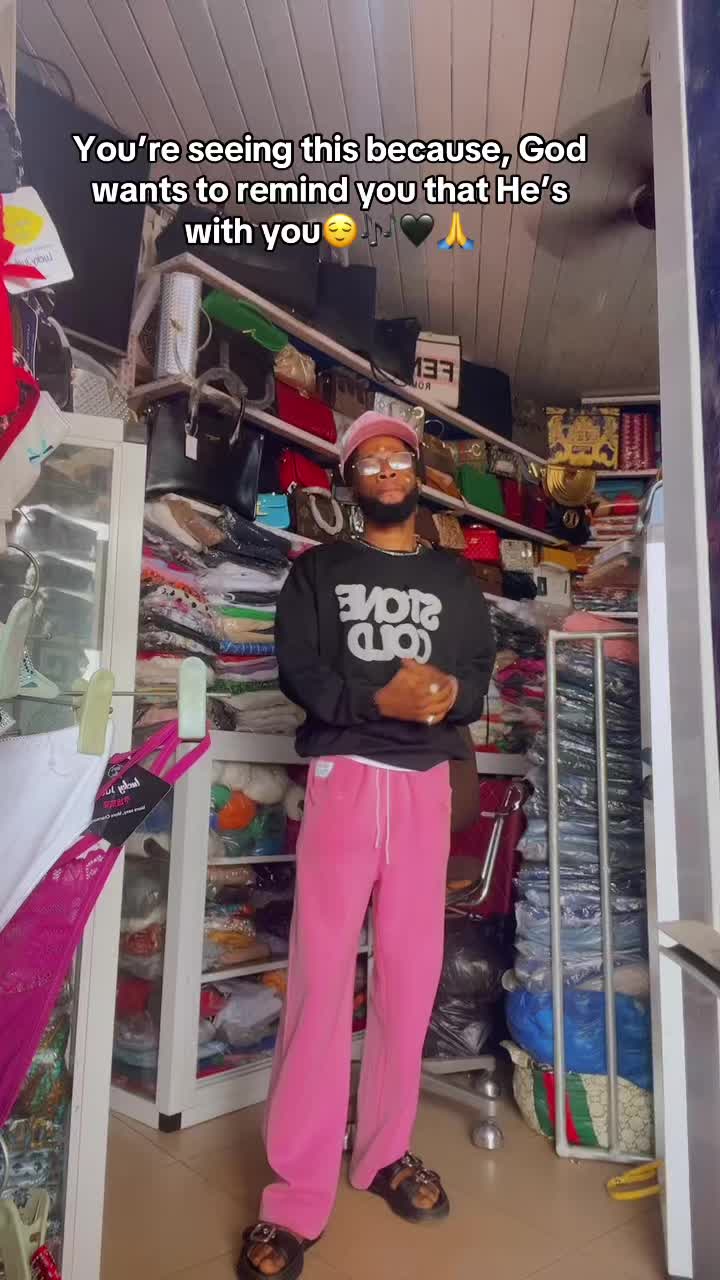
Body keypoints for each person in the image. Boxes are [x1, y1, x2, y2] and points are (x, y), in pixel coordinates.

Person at [238, 411, 496, 1279]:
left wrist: (448, 694)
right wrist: (377, 700)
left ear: (418, 473)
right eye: (369, 460)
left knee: (410, 981)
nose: (386, 469)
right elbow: (300, 671)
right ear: (349, 480)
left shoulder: (454, 578)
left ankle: (382, 1153)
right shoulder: (318, 572)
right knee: (319, 981)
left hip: (424, 786)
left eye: (398, 457)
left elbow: (477, 675)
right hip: (345, 777)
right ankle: (295, 1194)